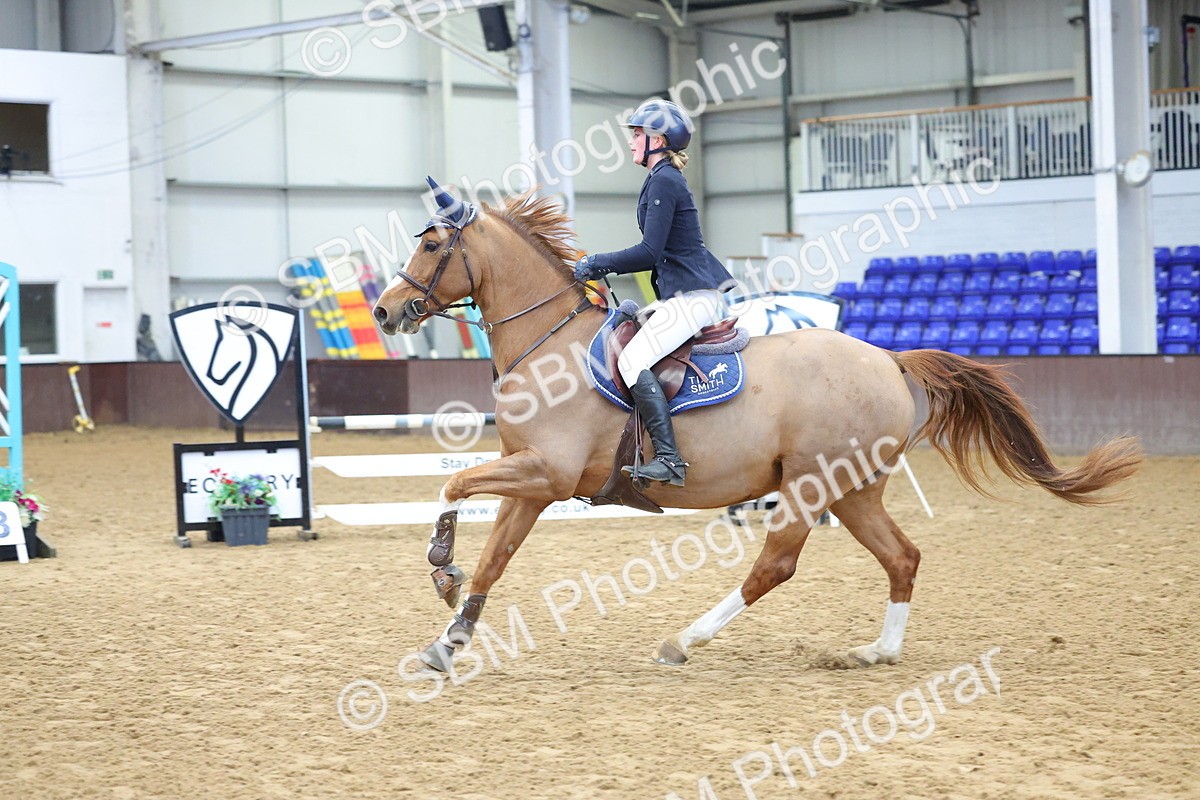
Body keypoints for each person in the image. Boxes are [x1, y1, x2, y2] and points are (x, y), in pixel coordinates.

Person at [573, 99, 734, 488]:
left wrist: (598, 262)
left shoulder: (664, 180)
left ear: (657, 139)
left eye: (637, 133)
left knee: (632, 362)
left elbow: (650, 252)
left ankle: (669, 459)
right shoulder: (659, 178)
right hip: (679, 295)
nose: (631, 141)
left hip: (694, 296)